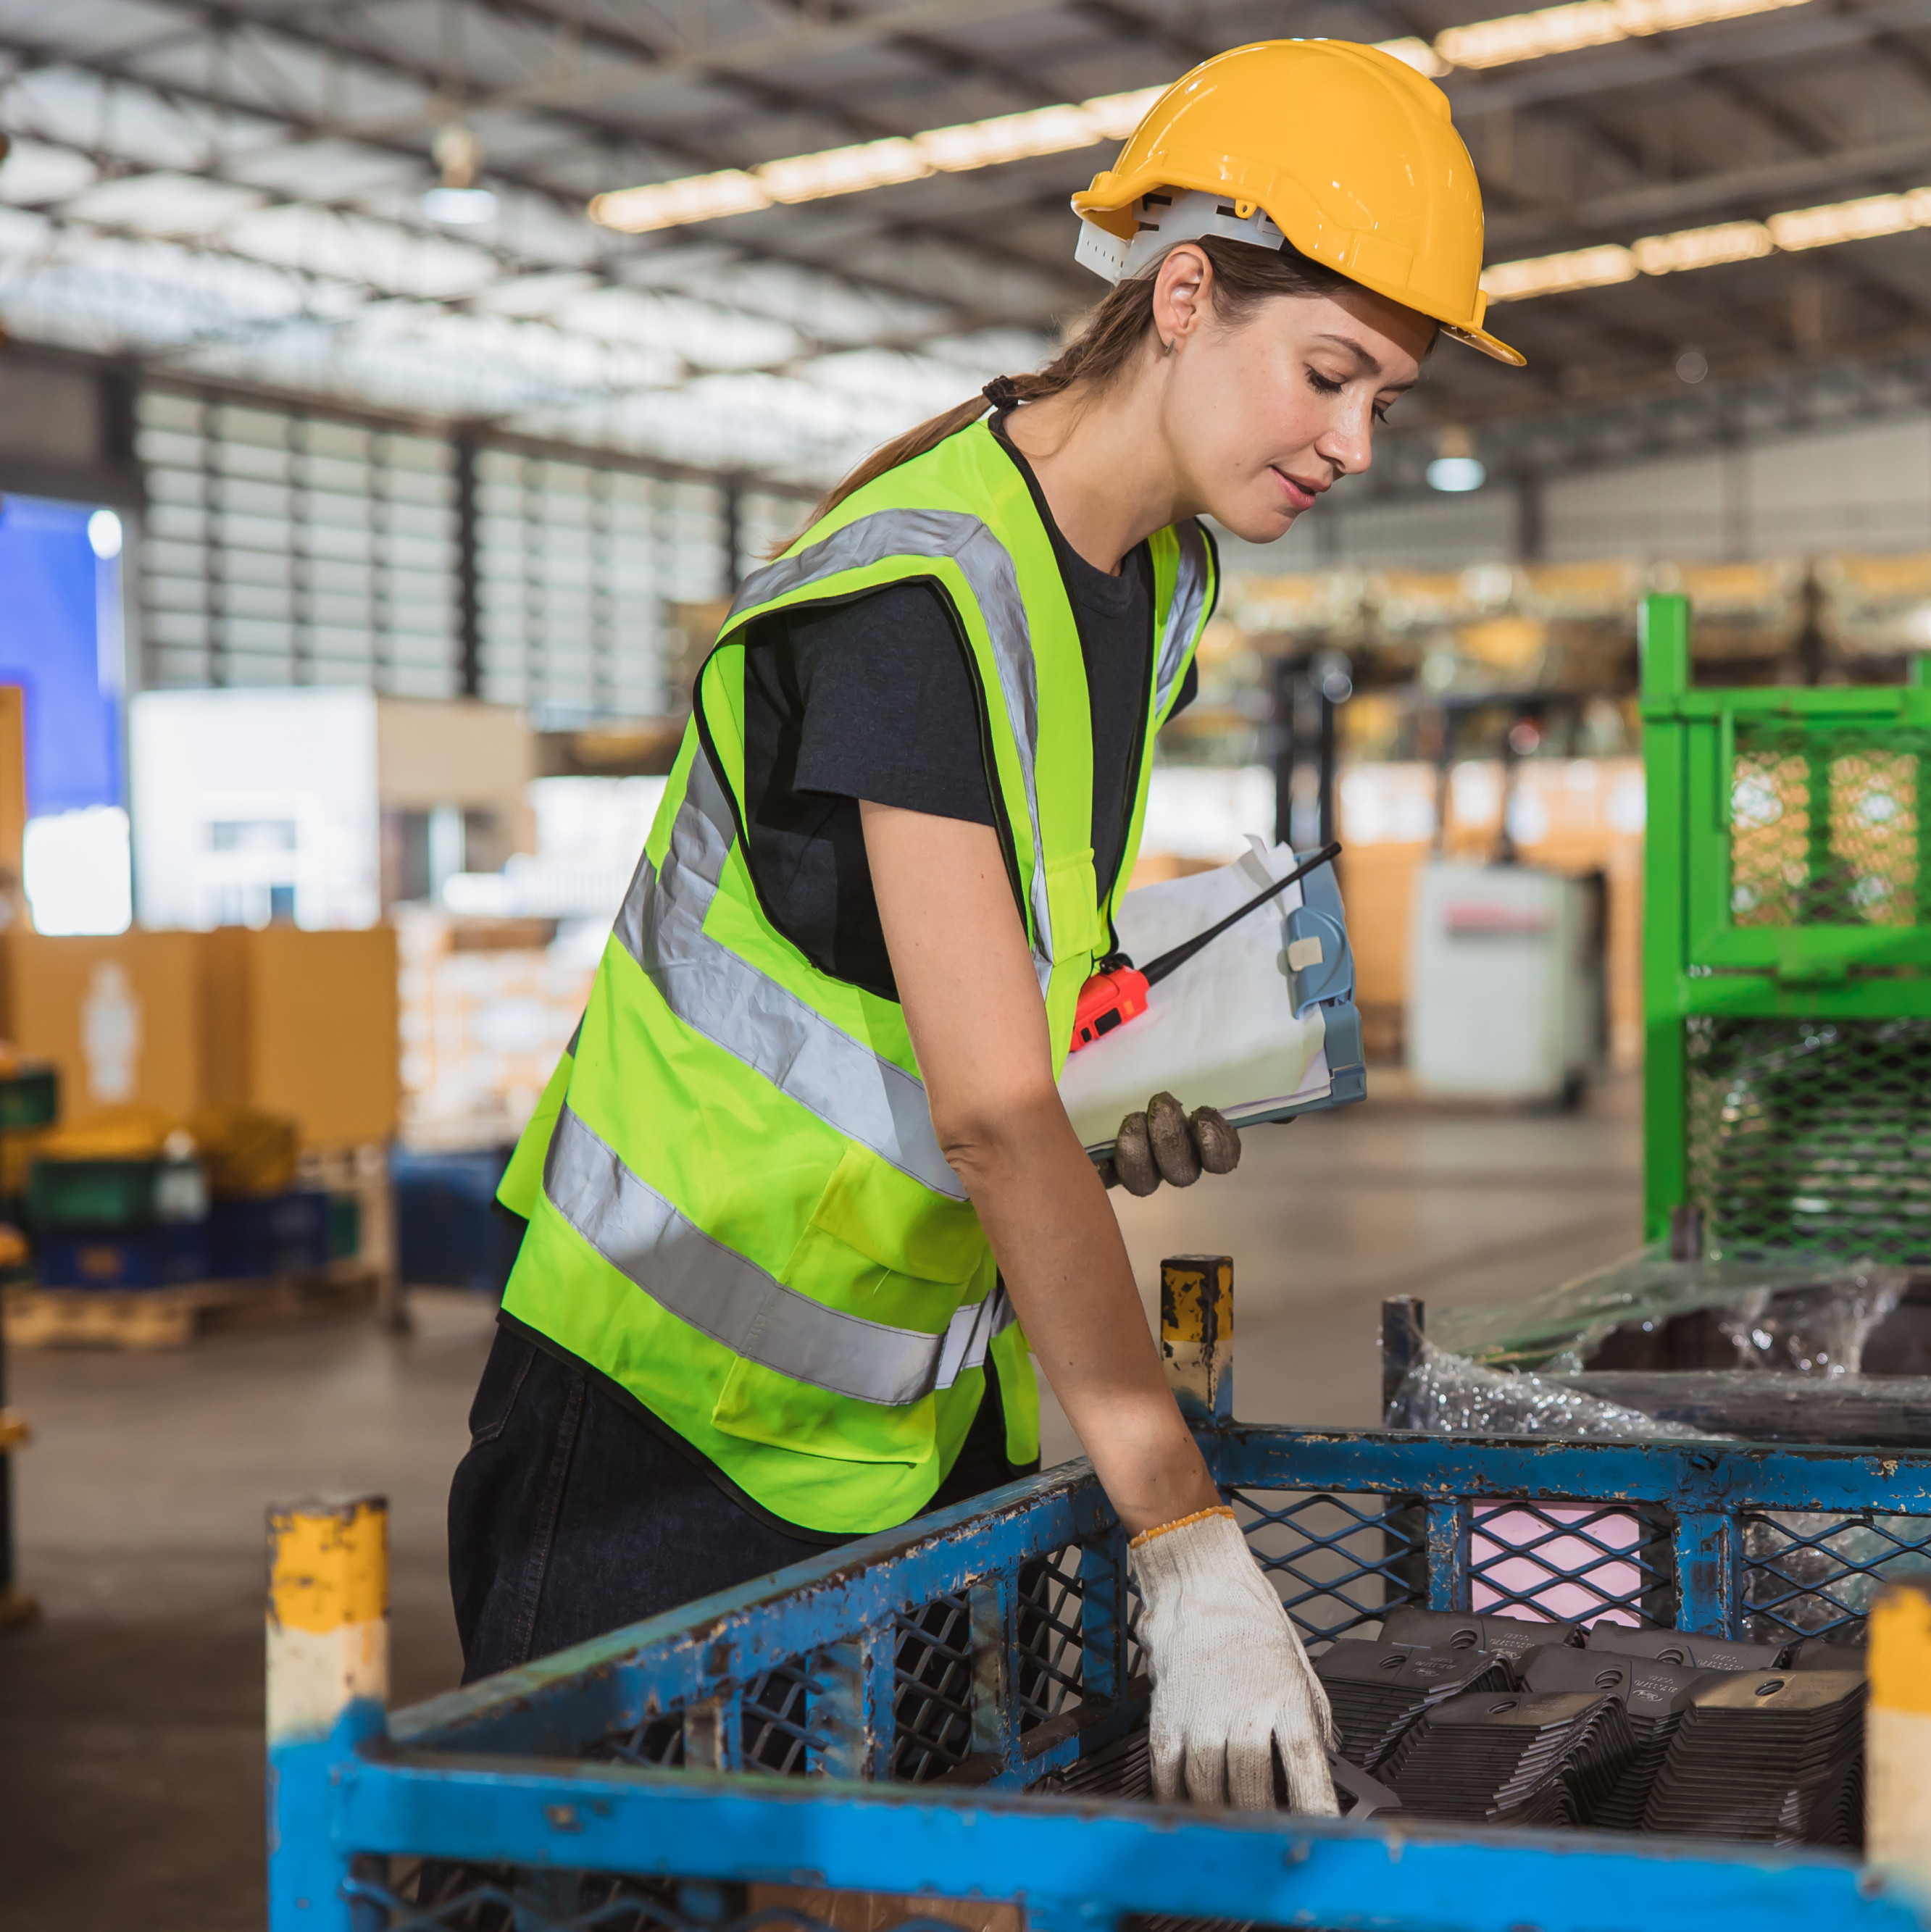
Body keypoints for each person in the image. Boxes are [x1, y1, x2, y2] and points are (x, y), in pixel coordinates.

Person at [446, 38, 1521, 1815]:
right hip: (667, 1408)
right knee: (594, 1885)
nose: (1350, 442)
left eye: (1384, 402)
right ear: (1185, 295)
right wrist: (1184, 1535)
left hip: (917, 1414)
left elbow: (989, 984)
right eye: (1329, 374)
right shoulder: (919, 594)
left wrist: (1118, 1070)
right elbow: (982, 1109)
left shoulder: (1153, 581)